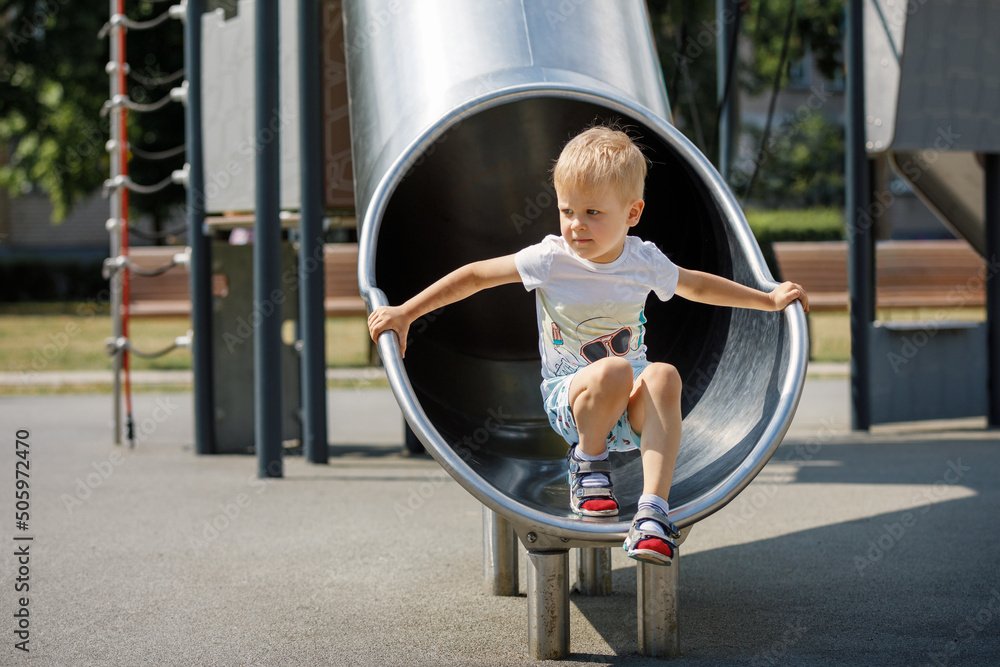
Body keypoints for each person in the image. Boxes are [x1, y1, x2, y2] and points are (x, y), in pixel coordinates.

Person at [368, 125, 808, 566]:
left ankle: (653, 513)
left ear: (632, 213)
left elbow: (698, 286)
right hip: (571, 400)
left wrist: (766, 299)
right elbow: (476, 276)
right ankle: (588, 463)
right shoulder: (551, 259)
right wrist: (407, 312)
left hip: (629, 401)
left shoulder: (643, 260)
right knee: (614, 370)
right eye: (567, 210)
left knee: (663, 375)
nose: (577, 225)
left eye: (593, 212)